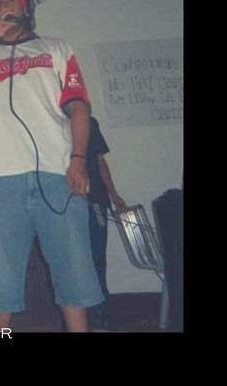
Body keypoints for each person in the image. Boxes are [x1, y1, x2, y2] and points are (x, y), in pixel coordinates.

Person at [0, 0, 104, 332]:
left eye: (9, 0)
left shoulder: (56, 48)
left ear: (24, 7)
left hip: (58, 174)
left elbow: (80, 107)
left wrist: (79, 161)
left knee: (73, 274)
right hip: (1, 180)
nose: (2, 6)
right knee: (1, 279)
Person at [86, 116, 126, 329]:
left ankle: (100, 313)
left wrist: (113, 193)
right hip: (68, 204)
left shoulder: (90, 123)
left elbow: (100, 160)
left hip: (96, 201)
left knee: (98, 257)